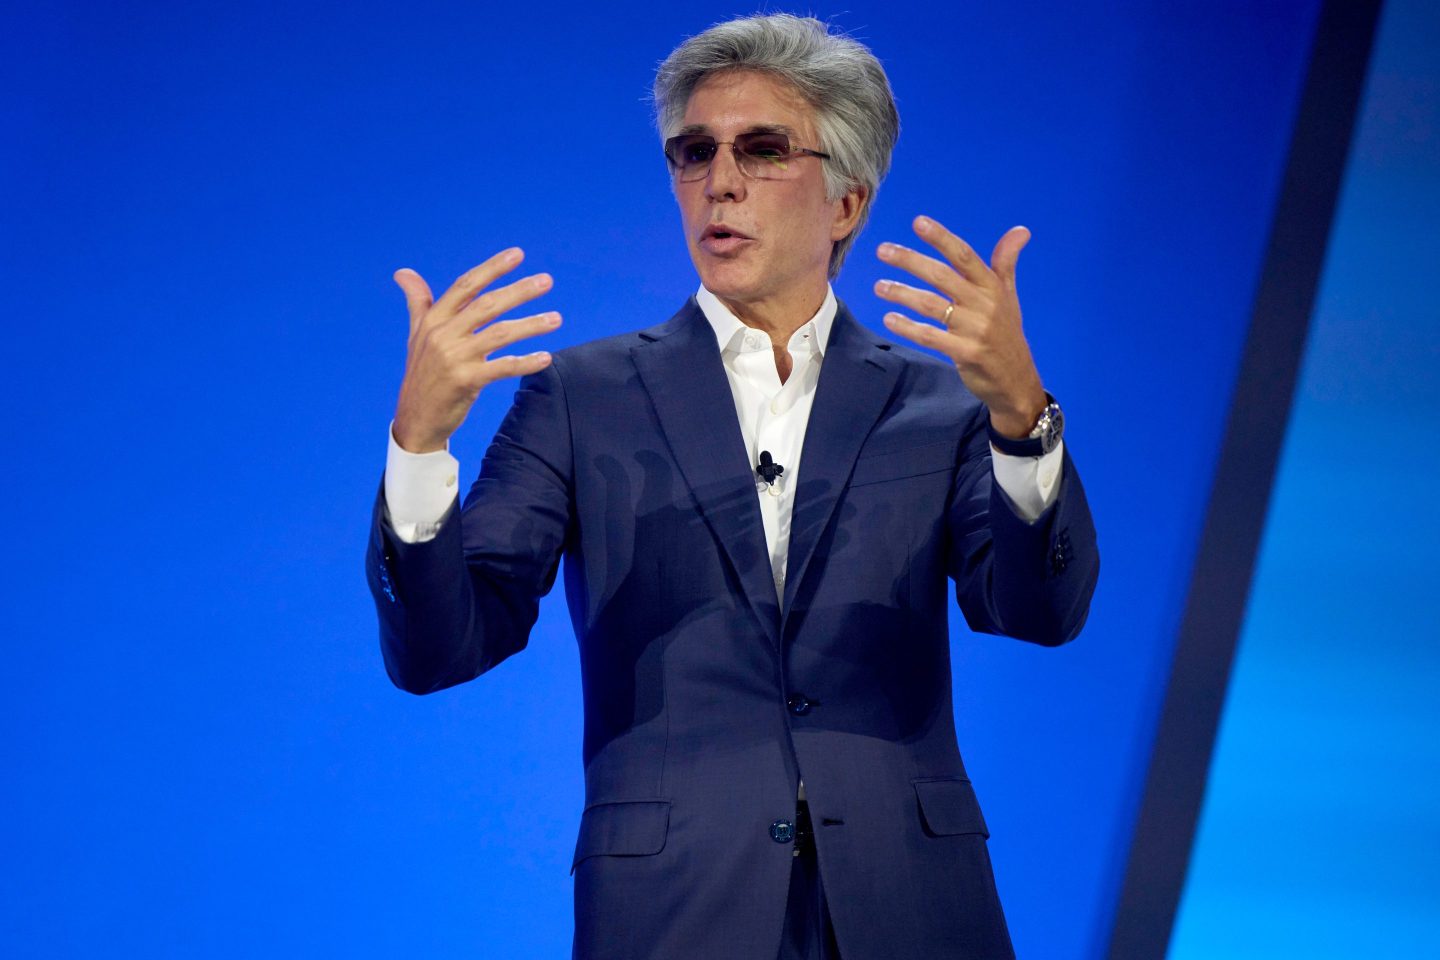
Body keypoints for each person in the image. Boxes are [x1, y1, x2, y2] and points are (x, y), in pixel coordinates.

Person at [366, 13, 1098, 960]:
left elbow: (1038, 610)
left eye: (761, 149)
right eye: (693, 151)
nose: (719, 180)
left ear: (845, 204)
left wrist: (1022, 421)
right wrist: (419, 446)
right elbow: (440, 647)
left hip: (911, 907)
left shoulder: (942, 406)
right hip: (674, 908)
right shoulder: (582, 396)